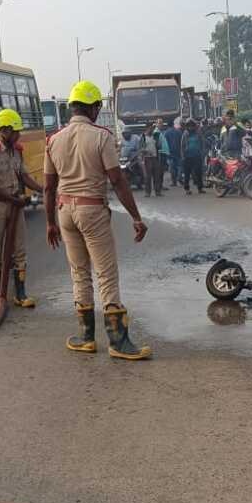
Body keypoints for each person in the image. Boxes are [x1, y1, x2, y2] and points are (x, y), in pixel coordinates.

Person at [44, 81, 151, 361]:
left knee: (79, 272)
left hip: (64, 211)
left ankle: (86, 337)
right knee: (105, 272)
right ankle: (117, 340)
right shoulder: (101, 137)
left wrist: (50, 223)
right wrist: (136, 217)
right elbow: (117, 179)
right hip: (92, 211)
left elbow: (48, 186)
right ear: (92, 108)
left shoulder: (53, 140)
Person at [0, 108, 42, 308]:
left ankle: (20, 294)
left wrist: (42, 189)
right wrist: (13, 200)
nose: (19, 135)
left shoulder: (17, 151)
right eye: (16, 131)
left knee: (19, 249)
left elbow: (23, 175)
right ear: (5, 131)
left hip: (15, 205)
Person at [180, 120, 207, 195]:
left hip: (197, 156)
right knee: (187, 174)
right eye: (189, 126)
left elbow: (202, 143)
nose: (191, 127)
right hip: (187, 156)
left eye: (192, 126)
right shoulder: (185, 134)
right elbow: (182, 145)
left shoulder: (198, 133)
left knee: (198, 173)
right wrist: (182, 156)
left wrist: (203, 153)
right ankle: (187, 189)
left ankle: (200, 188)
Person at [139, 122, 161, 197]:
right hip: (147, 158)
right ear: (147, 128)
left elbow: (159, 146)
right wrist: (145, 151)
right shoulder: (143, 137)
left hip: (155, 158)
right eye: (151, 128)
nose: (152, 129)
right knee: (147, 177)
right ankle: (147, 192)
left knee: (157, 176)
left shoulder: (155, 136)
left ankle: (157, 191)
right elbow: (140, 148)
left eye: (153, 128)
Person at [163, 119, 183, 187]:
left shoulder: (166, 133)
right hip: (178, 152)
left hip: (170, 153)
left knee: (172, 167)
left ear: (168, 126)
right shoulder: (179, 132)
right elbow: (182, 142)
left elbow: (165, 144)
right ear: (173, 125)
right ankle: (179, 178)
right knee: (179, 166)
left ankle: (174, 182)